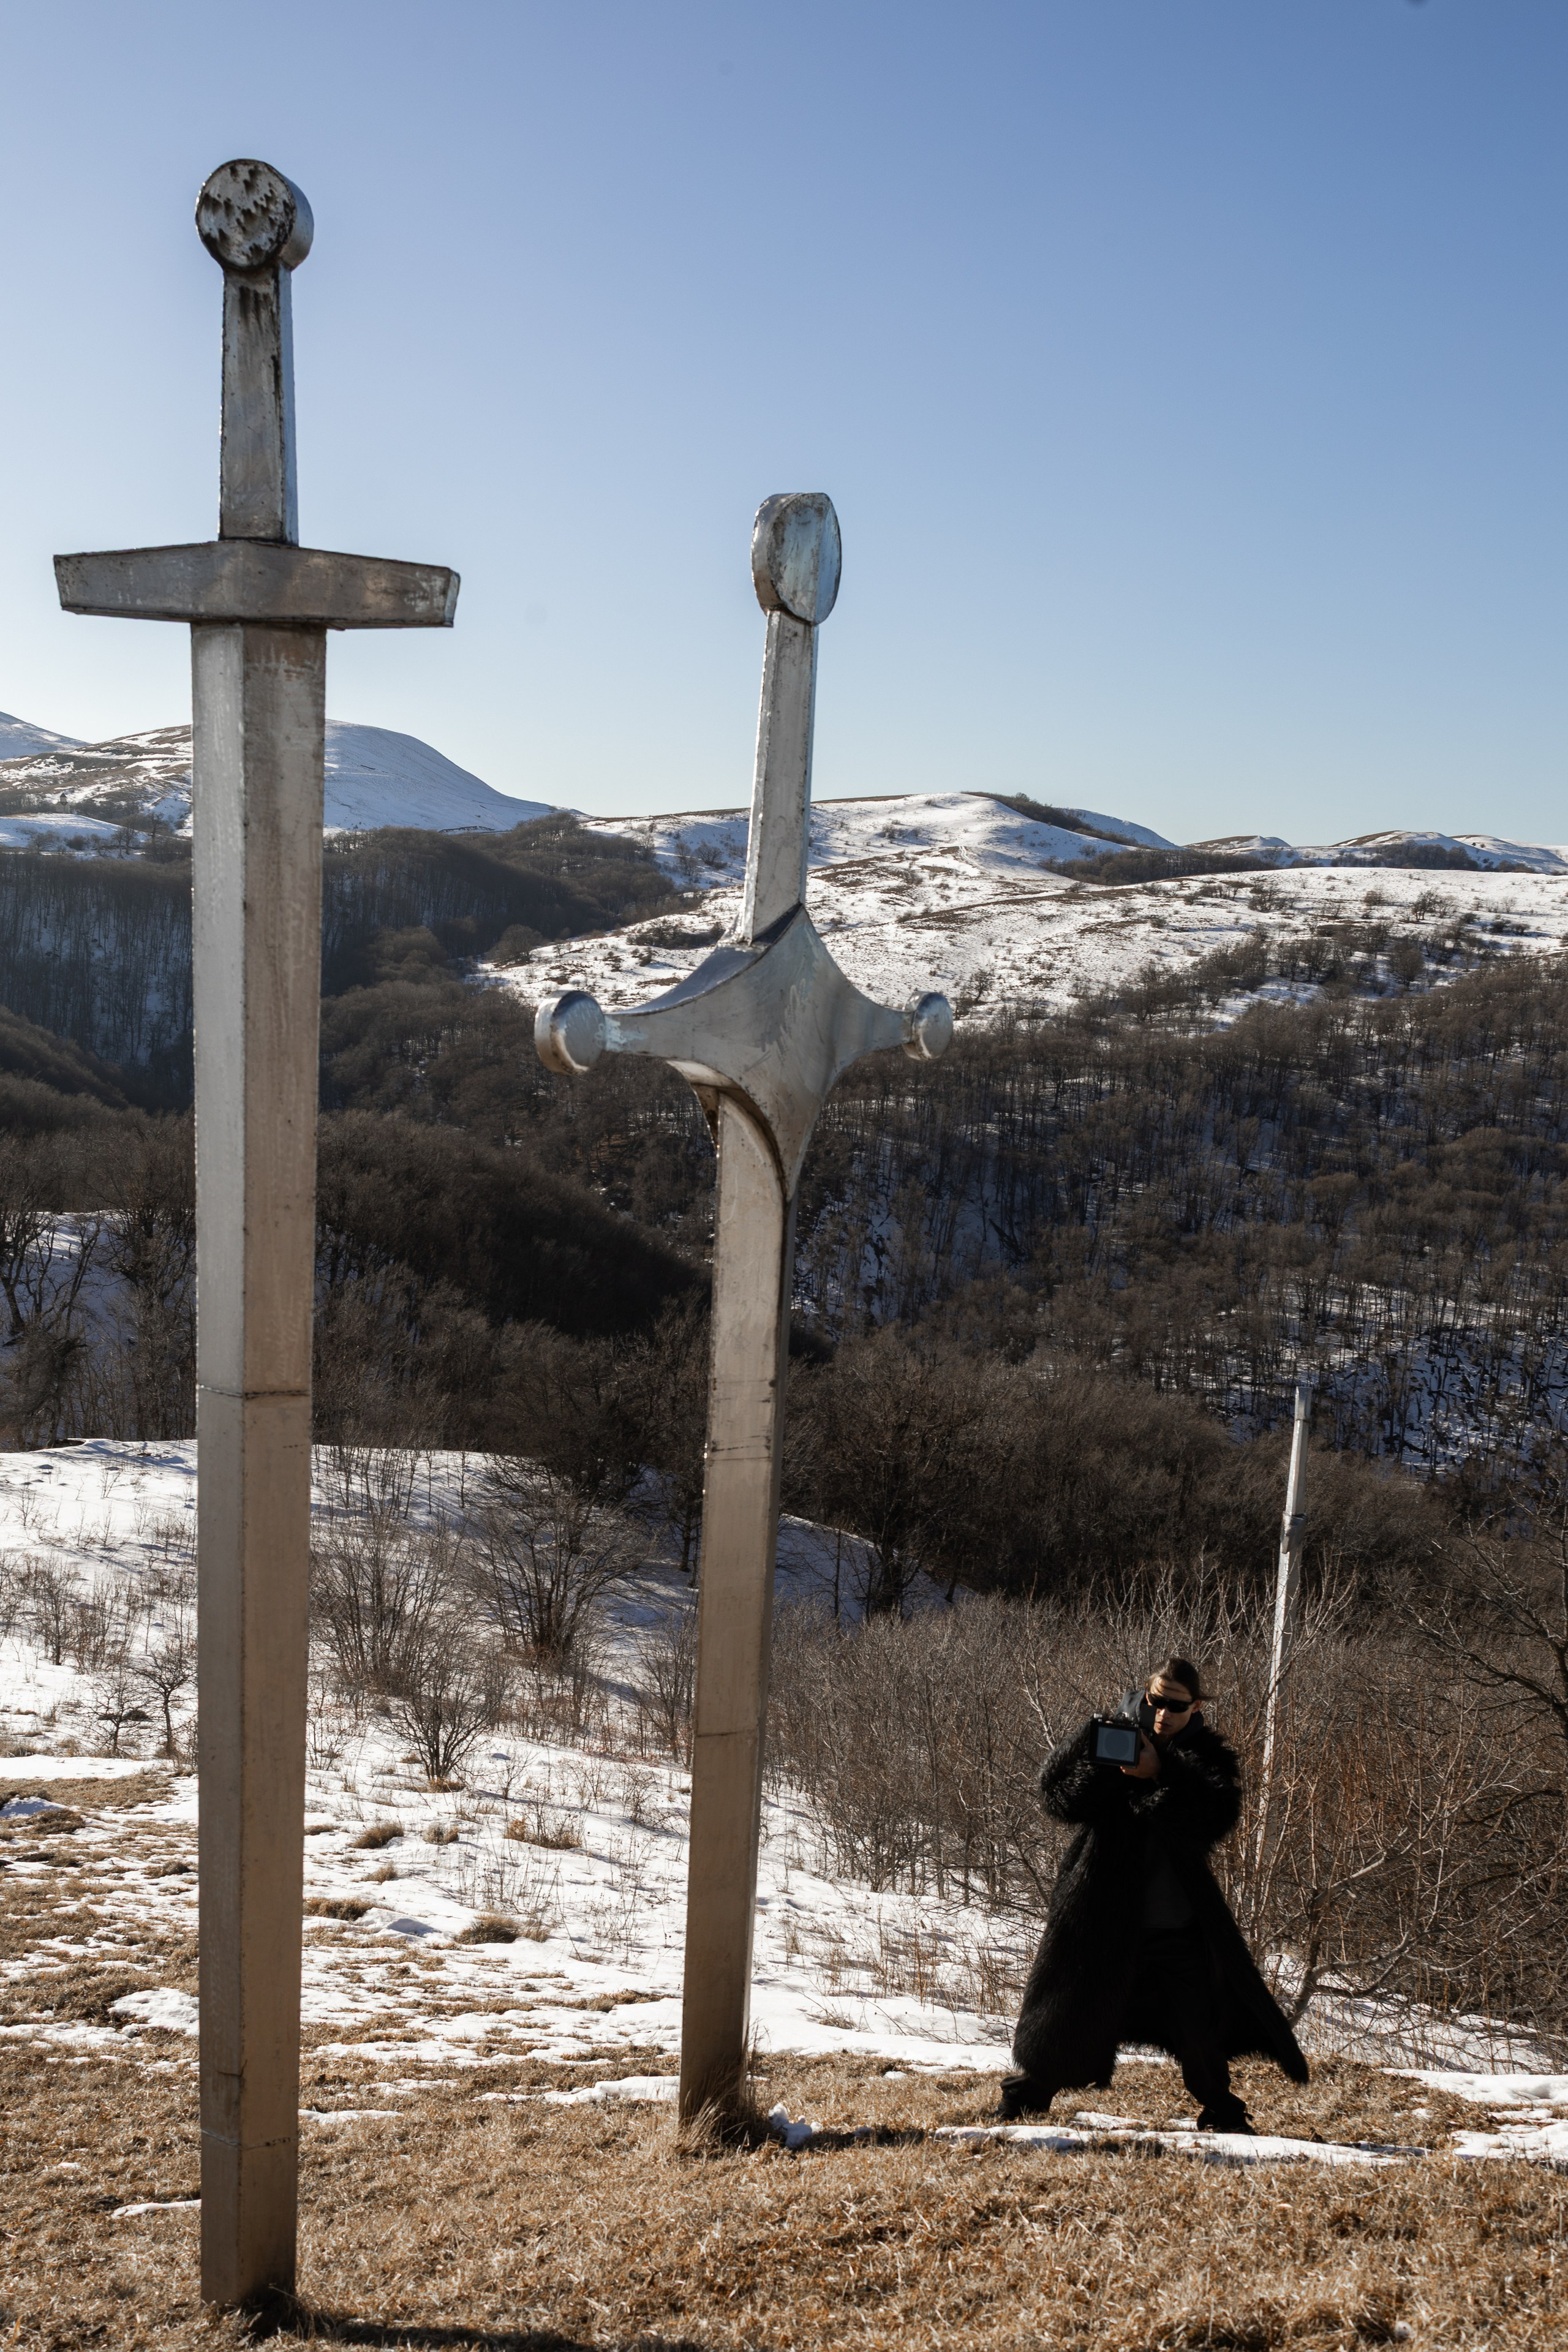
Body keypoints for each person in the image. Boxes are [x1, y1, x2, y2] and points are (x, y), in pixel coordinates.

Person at [999, 1655, 1306, 2133]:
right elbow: (1056, 1798)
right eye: (1156, 1701)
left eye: (1176, 1706)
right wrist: (1105, 1767)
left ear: (1197, 1706)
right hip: (1100, 1912)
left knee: (1196, 2023)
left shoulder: (1206, 1757)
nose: (1163, 1713)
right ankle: (1025, 2097)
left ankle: (1222, 2112)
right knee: (1073, 2011)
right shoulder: (1107, 1732)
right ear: (1145, 1694)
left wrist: (1161, 1774)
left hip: (1175, 1916)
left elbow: (1215, 1819)